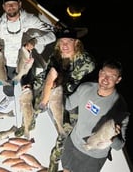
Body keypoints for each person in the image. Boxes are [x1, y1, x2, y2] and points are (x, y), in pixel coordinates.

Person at [18, 27, 96, 171]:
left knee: (65, 130)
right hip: (54, 89)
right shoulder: (55, 56)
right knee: (31, 99)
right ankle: (28, 124)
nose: (65, 45)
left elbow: (80, 89)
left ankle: (55, 158)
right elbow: (45, 75)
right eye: (62, 41)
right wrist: (31, 84)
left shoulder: (87, 63)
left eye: (69, 41)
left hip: (74, 99)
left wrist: (56, 83)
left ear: (76, 43)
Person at [0, 0, 56, 110]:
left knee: (27, 87)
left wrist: (35, 41)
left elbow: (52, 35)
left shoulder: (30, 19)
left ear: (20, 4)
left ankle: (30, 104)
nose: (11, 6)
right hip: (6, 62)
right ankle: (9, 97)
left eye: (13, 3)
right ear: (3, 7)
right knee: (6, 84)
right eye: (8, 4)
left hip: (25, 61)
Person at [61, 58, 130, 172]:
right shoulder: (86, 88)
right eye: (104, 74)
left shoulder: (120, 107)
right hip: (73, 143)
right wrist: (56, 90)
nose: (106, 79)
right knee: (66, 169)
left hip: (94, 156)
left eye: (112, 77)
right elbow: (68, 105)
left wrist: (113, 138)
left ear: (118, 80)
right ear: (99, 73)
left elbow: (119, 146)